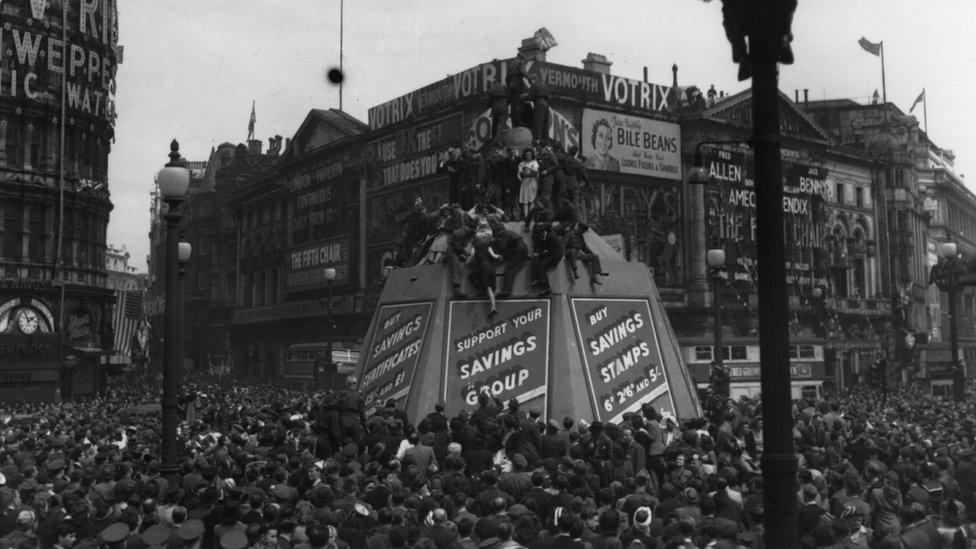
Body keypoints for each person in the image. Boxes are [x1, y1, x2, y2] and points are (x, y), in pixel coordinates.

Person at [516, 149, 539, 222]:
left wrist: (529, 168)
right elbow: (519, 173)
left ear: (532, 155)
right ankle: (526, 217)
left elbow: (536, 171)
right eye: (526, 155)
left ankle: (531, 216)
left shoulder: (534, 162)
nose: (528, 156)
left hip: (532, 181)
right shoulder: (521, 163)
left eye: (529, 154)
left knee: (532, 200)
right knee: (525, 200)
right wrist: (520, 179)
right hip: (525, 182)